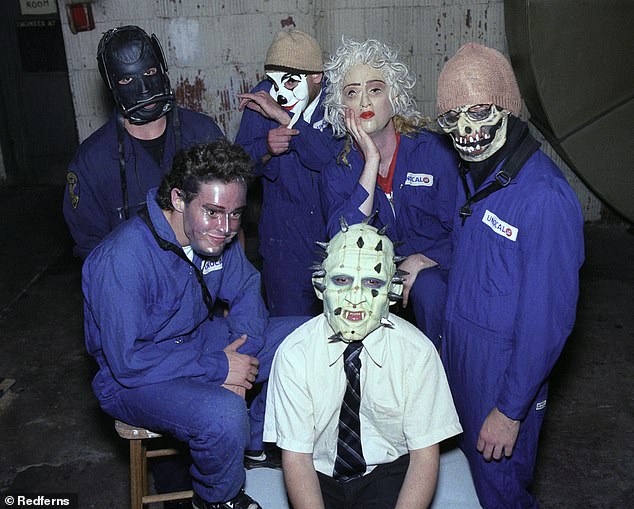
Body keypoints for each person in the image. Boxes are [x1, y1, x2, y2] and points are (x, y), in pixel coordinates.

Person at [82, 139, 306, 509]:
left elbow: (248, 286)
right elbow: (128, 361)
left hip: (193, 344)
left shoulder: (216, 238)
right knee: (222, 415)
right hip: (135, 377)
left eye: (236, 214)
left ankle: (253, 441)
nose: (226, 227)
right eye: (214, 212)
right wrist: (221, 368)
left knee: (304, 336)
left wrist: (242, 363)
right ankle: (217, 500)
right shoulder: (122, 259)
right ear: (178, 199)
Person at [436, 42, 584, 508]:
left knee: (501, 496)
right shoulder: (480, 177)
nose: (466, 130)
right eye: (452, 117)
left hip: (500, 386)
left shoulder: (544, 199)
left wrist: (509, 409)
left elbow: (547, 322)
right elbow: (482, 269)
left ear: (507, 108)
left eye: (479, 112)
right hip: (463, 371)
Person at [264, 221, 462, 509]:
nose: (355, 298)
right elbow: (296, 458)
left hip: (387, 471)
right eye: (342, 280)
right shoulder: (295, 354)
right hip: (317, 473)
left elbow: (424, 457)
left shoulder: (417, 353)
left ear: (393, 290)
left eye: (372, 283)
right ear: (320, 286)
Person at [320, 38, 459, 347]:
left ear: (394, 96)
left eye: (375, 89)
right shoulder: (336, 171)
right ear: (342, 108)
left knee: (431, 290)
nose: (365, 103)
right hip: (371, 279)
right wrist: (371, 162)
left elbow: (466, 227)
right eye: (352, 93)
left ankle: (440, 381)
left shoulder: (435, 153)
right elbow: (342, 239)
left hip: (437, 269)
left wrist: (426, 259)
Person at [63, 25, 223, 259]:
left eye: (149, 73)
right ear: (112, 84)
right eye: (127, 79)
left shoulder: (203, 133)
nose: (145, 88)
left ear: (162, 69)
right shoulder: (91, 162)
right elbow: (92, 251)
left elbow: (230, 217)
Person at [235, 29, 340, 317]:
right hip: (284, 244)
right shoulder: (262, 97)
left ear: (317, 76)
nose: (280, 92)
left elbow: (328, 159)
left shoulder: (340, 101)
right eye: (273, 81)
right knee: (289, 334)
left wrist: (282, 117)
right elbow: (237, 166)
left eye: (292, 81)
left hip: (335, 240)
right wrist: (265, 148)